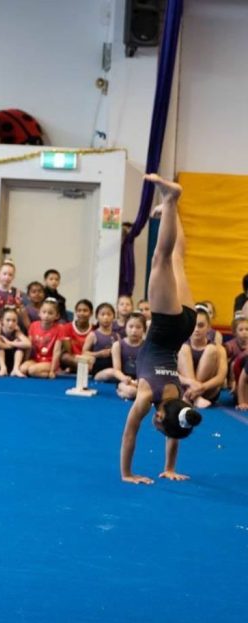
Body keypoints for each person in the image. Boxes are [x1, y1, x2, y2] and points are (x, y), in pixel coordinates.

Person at [120, 175, 203, 485]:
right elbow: (130, 433)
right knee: (161, 259)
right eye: (158, 424)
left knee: (176, 258)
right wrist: (127, 474)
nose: (155, 425)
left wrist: (169, 468)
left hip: (186, 324)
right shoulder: (146, 397)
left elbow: (178, 429)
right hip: (168, 325)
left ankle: (173, 205)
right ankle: (170, 200)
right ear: (158, 415)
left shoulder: (180, 401)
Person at [177, 307, 227, 409]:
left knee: (211, 350)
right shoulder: (180, 346)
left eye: (201, 326)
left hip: (207, 392)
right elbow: (171, 372)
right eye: (194, 325)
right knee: (184, 348)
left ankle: (193, 396)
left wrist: (200, 388)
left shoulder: (219, 348)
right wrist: (190, 382)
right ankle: (196, 399)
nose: (196, 330)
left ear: (209, 327)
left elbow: (221, 378)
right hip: (184, 389)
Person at [19, 298, 63, 378]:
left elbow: (57, 351)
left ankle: (53, 372)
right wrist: (25, 360)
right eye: (44, 312)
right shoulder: (33, 326)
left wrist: (52, 370)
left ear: (57, 316)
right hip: (36, 359)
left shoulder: (59, 329)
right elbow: (29, 346)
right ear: (39, 313)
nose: (46, 316)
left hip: (49, 361)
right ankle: (38, 372)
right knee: (23, 369)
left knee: (32, 370)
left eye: (50, 313)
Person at [107, 313, 147, 400]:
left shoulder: (147, 346)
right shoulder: (117, 345)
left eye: (138, 327)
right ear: (125, 327)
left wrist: (140, 381)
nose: (134, 330)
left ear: (144, 329)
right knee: (132, 392)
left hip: (142, 381)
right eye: (131, 326)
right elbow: (116, 370)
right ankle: (122, 392)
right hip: (125, 380)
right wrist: (124, 378)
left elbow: (148, 369)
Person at [0, 307, 30, 377]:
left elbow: (28, 344)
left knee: (20, 345)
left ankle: (16, 369)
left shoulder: (17, 332)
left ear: (17, 322)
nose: (11, 323)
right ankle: (3, 368)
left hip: (11, 364)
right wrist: (9, 346)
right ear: (2, 321)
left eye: (14, 321)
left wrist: (10, 343)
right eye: (8, 320)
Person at [83, 303, 120, 379]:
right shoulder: (93, 335)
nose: (106, 317)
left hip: (114, 369)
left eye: (109, 314)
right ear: (97, 317)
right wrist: (99, 354)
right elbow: (84, 353)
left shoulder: (117, 336)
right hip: (98, 370)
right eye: (102, 314)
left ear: (114, 317)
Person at [59, 299, 94, 373]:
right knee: (64, 357)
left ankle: (75, 368)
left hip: (88, 358)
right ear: (76, 312)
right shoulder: (66, 327)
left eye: (85, 311)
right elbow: (67, 350)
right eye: (79, 310)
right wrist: (76, 360)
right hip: (73, 358)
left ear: (91, 313)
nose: (82, 313)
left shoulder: (95, 328)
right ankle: (82, 368)